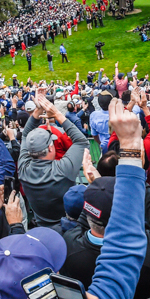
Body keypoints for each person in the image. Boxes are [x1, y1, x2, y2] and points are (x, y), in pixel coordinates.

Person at [0, 96, 150, 299]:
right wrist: (132, 146)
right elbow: (122, 247)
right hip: (56, 221)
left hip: (43, 219)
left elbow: (25, 142)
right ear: (53, 278)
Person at [18, 94, 88, 230]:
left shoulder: (23, 168)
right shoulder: (62, 170)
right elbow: (81, 141)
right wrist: (57, 114)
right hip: (67, 227)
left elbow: (25, 134)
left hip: (41, 227)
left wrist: (38, 110)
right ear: (51, 147)